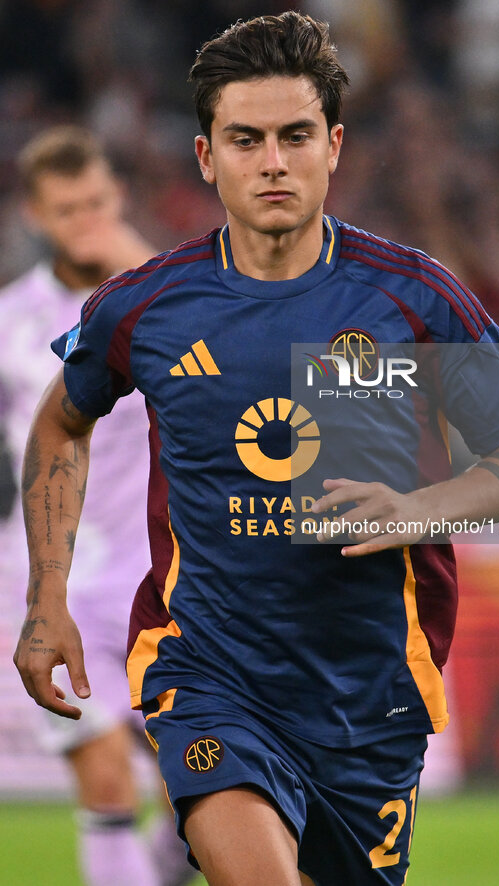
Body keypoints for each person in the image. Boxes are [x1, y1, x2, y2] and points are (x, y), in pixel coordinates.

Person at [13, 14, 499, 886]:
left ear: (333, 146)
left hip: (368, 693)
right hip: (207, 669)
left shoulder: (411, 297)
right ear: (205, 156)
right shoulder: (147, 305)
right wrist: (47, 598)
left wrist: (420, 506)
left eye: (295, 135)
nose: (273, 161)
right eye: (246, 139)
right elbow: (60, 421)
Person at [1, 126, 193, 886]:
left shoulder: (166, 301)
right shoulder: (10, 322)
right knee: (107, 778)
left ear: (117, 201)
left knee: (202, 791)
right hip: (57, 582)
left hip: (167, 580)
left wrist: (134, 263)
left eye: (96, 204)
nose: (84, 220)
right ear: (35, 215)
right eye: (66, 209)